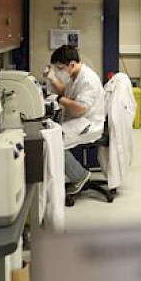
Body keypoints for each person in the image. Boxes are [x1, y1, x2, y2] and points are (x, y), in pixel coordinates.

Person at [44, 45, 105, 195]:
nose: (59, 71)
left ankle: (79, 176)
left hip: (88, 124)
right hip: (79, 120)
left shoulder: (88, 80)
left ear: (71, 64)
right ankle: (72, 173)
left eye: (60, 68)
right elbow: (67, 92)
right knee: (51, 136)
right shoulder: (75, 75)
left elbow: (80, 108)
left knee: (53, 142)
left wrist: (58, 99)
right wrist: (52, 79)